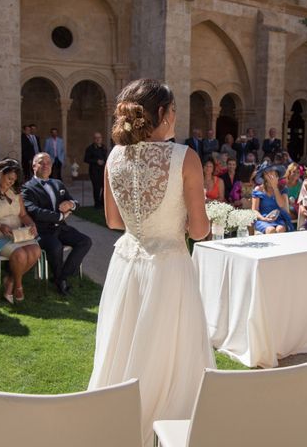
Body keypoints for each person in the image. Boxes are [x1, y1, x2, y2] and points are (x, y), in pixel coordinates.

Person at [88, 79, 215, 447]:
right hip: (168, 266)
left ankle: (119, 422)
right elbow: (201, 230)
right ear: (160, 113)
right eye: (173, 110)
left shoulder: (114, 156)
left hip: (128, 262)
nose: (175, 117)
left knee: (125, 342)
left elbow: (113, 221)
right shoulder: (184, 157)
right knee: (169, 351)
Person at [22, 152, 91, 296]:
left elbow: (75, 203)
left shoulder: (57, 183)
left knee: (85, 241)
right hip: (41, 231)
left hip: (61, 228)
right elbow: (35, 212)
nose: (46, 165)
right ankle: (61, 282)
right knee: (56, 247)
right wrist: (60, 216)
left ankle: (61, 277)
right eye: (42, 162)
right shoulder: (27, 188)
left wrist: (70, 204)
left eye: (48, 162)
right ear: (34, 166)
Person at [0, 159, 41, 303]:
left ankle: (10, 280)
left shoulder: (14, 192)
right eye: (9, 178)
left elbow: (23, 215)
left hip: (16, 235)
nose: (11, 182)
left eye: (14, 180)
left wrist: (31, 224)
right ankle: (17, 286)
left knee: (35, 251)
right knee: (20, 254)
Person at [252, 164, 293, 234]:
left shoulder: (283, 188)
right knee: (271, 230)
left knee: (280, 229)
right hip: (263, 219)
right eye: (268, 172)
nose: (271, 174)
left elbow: (282, 205)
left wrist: (275, 187)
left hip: (279, 219)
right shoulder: (258, 189)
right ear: (264, 175)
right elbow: (254, 210)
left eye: (273, 172)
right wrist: (263, 219)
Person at [83, 131, 107, 208]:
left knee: (104, 187)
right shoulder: (90, 148)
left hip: (103, 171)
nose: (98, 139)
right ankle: (97, 204)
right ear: (94, 139)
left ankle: (102, 202)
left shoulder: (104, 147)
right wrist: (96, 161)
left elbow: (106, 157)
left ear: (101, 139)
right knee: (96, 188)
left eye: (99, 138)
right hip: (94, 171)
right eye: (96, 138)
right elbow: (86, 159)